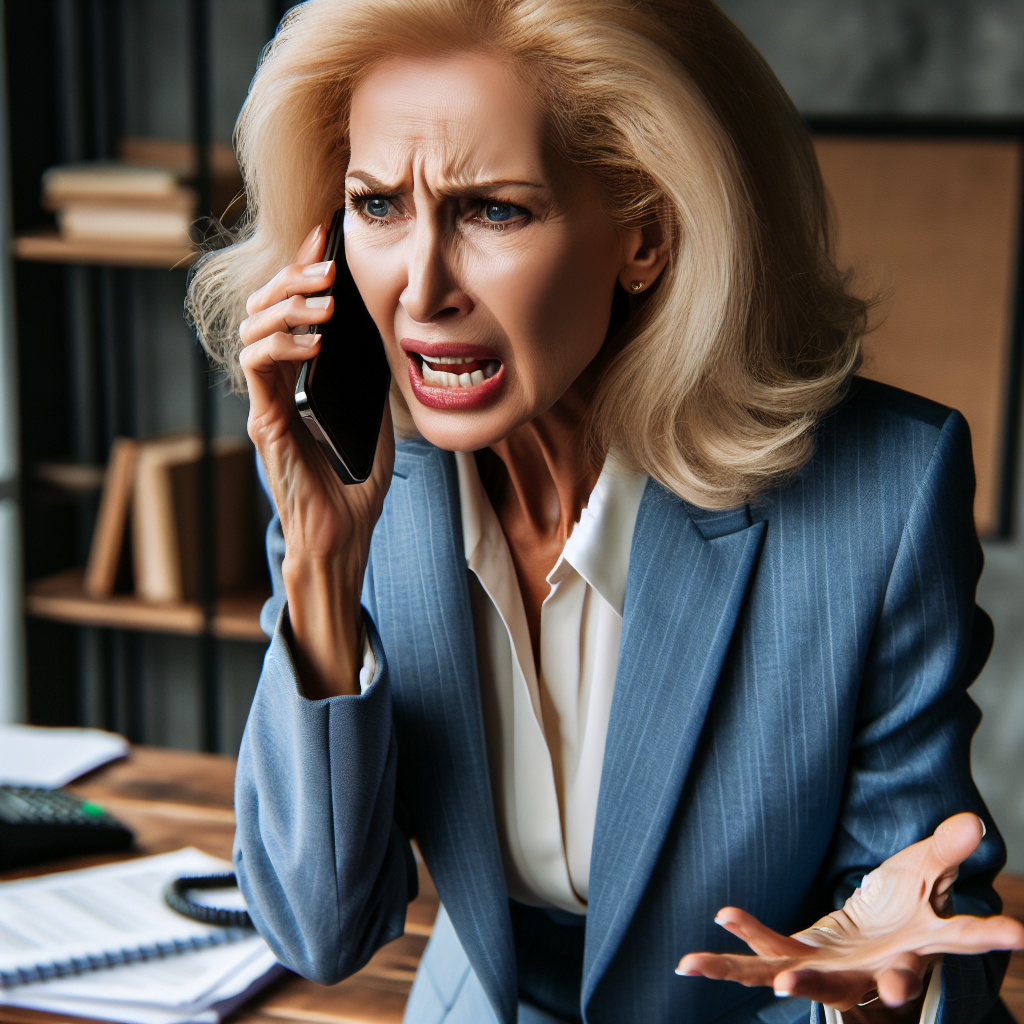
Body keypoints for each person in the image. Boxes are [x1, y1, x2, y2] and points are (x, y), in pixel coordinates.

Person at [186, 2, 1024, 1022]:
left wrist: (881, 1000)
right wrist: (321, 563)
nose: (420, 288)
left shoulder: (882, 495)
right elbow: (321, 931)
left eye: (492, 209)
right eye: (375, 205)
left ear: (647, 233)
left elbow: (922, 919)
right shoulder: (355, 488)